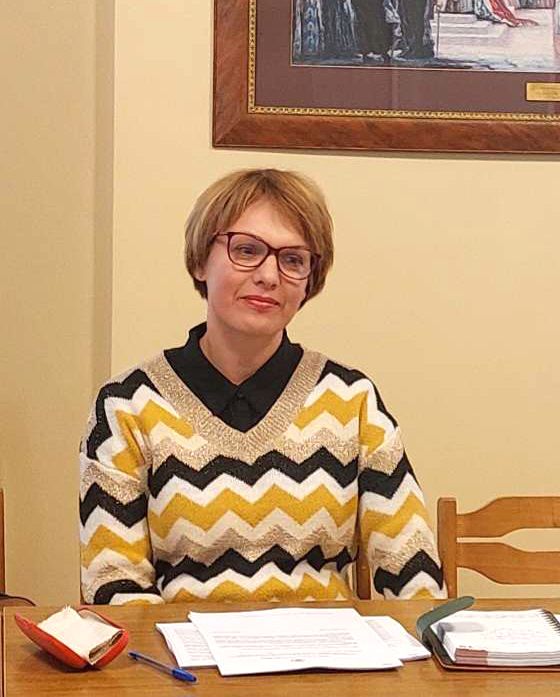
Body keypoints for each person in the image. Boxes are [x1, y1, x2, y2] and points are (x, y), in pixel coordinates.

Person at [79, 168, 446, 605]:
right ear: (200, 261)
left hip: (328, 646)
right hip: (181, 648)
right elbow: (114, 586)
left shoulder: (352, 400)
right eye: (247, 250)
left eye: (293, 260)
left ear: (310, 280)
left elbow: (414, 574)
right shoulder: (127, 405)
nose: (270, 275)